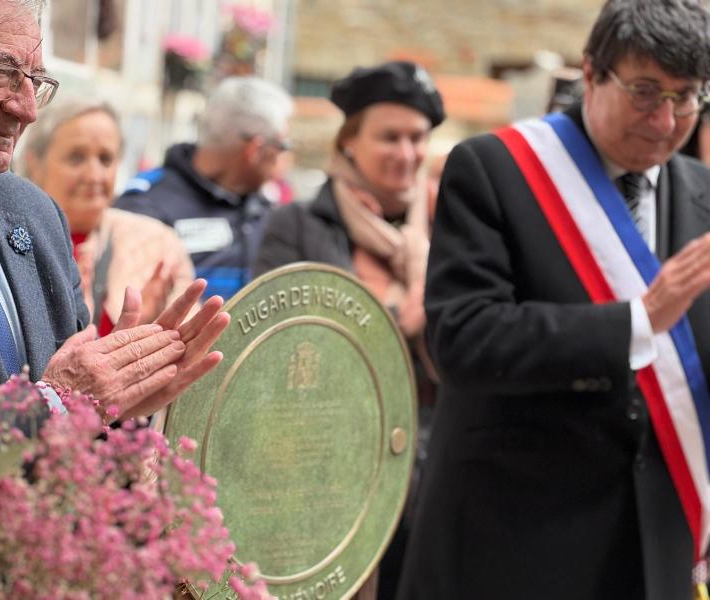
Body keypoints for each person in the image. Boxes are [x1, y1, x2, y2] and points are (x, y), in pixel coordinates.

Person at [397, 1, 710, 599]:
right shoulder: (495, 170)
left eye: (688, 96)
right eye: (646, 91)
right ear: (591, 73)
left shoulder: (701, 193)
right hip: (520, 539)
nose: (666, 121)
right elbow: (463, 339)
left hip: (661, 544)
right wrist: (635, 323)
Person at [0, 0, 228, 423]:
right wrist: (54, 407)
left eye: (35, 80)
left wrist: (118, 409)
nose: (27, 109)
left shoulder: (35, 214)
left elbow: (81, 415)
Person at [253, 60, 445, 599]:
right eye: (389, 137)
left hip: (431, 475)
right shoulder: (295, 227)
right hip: (328, 479)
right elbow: (277, 349)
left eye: (417, 138)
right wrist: (390, 318)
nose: (406, 154)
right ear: (351, 142)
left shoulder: (450, 227)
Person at [21, 98, 195, 336]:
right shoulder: (3, 238)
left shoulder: (158, 245)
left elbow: (194, 346)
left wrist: (151, 332)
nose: (94, 175)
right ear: (35, 164)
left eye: (105, 159)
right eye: (76, 157)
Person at [115, 76, 294, 301]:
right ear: (255, 150)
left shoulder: (263, 207)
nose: (284, 157)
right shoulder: (145, 205)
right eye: (283, 146)